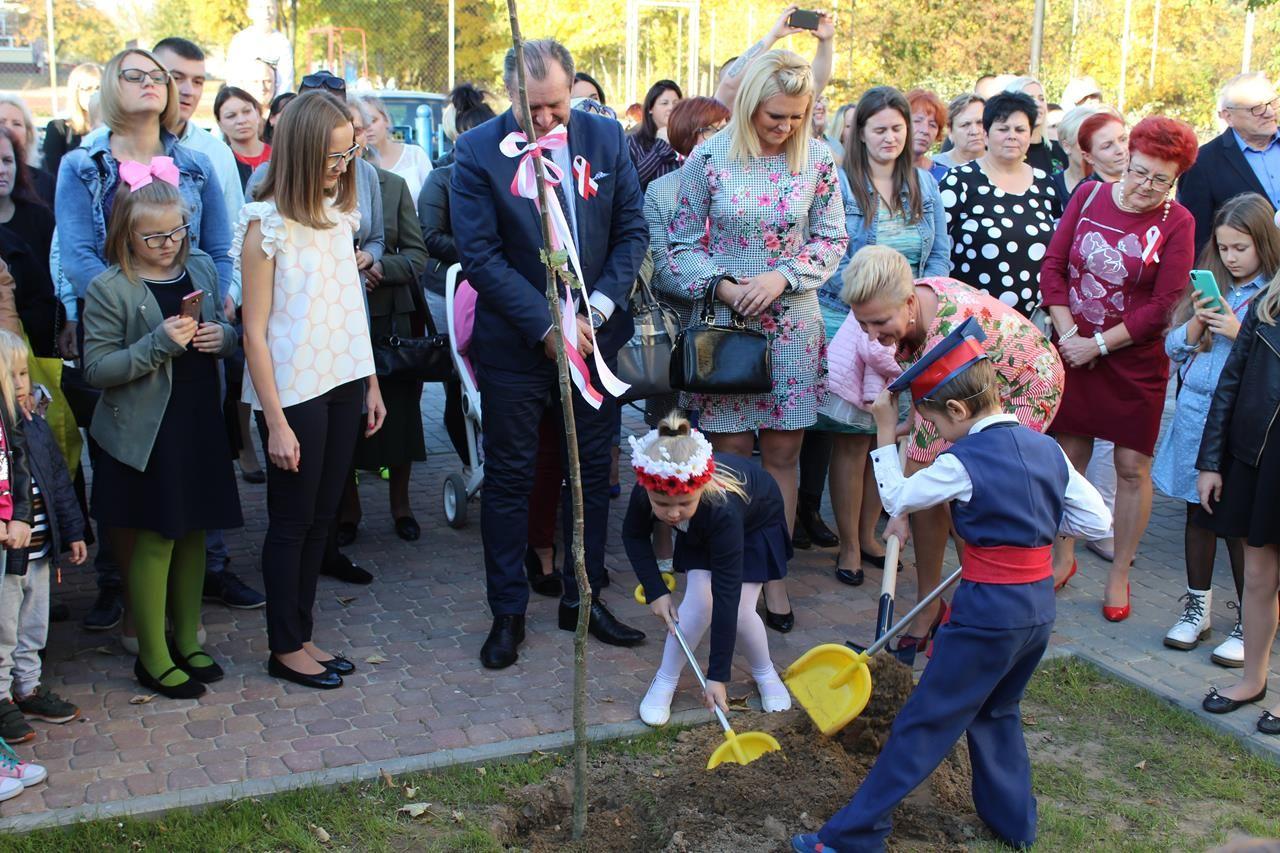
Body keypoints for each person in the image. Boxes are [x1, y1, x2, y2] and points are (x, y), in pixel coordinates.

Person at [792, 320, 1110, 853]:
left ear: (959, 412)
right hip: (1036, 611)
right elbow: (1098, 522)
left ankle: (853, 837)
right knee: (996, 709)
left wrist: (885, 430)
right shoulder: (1048, 450)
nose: (935, 435)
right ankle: (1014, 825)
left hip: (988, 613)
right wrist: (1029, 534)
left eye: (934, 423)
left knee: (924, 723)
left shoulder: (962, 461)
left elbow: (896, 501)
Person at [451, 39, 648, 669]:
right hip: (517, 346)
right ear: (510, 94)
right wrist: (546, 326)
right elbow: (479, 255)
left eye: (556, 106)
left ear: (571, 92)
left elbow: (631, 232)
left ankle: (582, 597)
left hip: (596, 339)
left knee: (591, 477)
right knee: (510, 479)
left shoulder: (606, 139)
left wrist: (598, 310)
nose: (544, 119)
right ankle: (507, 611)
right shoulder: (476, 151)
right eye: (531, 107)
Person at [56, 47, 235, 632]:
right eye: (136, 74)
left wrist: (211, 310)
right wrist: (128, 304)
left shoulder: (198, 162)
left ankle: (183, 614)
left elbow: (215, 246)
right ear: (111, 85)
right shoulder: (81, 164)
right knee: (128, 473)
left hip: (186, 331)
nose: (153, 84)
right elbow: (79, 251)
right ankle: (126, 601)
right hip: (122, 329)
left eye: (158, 78)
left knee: (188, 479)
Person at [668, 49, 847, 631]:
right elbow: (676, 248)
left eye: (797, 116)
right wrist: (721, 285)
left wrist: (783, 276)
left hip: (792, 320)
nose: (786, 127)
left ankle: (773, 577)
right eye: (776, 115)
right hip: (726, 327)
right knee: (730, 455)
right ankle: (725, 569)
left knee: (784, 455)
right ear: (750, 104)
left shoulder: (818, 159)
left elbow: (830, 240)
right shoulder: (710, 158)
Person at [843, 246, 1065, 662]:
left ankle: (976, 616)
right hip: (969, 390)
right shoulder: (912, 306)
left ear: (908, 303)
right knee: (931, 496)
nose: (872, 336)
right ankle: (929, 608)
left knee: (973, 492)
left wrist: (897, 513)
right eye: (862, 324)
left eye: (879, 323)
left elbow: (923, 458)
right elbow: (928, 430)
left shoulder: (942, 333)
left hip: (1025, 385)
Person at [236, 91, 385, 689]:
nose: (341, 166)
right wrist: (274, 421)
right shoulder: (265, 225)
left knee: (322, 518)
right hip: (294, 391)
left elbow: (351, 311)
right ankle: (283, 646)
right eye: (330, 156)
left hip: (346, 381)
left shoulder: (339, 215)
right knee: (292, 521)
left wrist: (372, 382)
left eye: (347, 154)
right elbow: (253, 331)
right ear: (299, 152)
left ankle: (302, 633)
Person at [83, 167, 240, 699]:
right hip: (147, 431)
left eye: (177, 232)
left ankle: (188, 640)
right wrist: (157, 344)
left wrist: (225, 337)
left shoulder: (197, 265)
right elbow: (96, 369)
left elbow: (222, 329)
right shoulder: (110, 288)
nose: (169, 246)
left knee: (195, 529)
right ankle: (151, 654)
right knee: (156, 535)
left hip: (197, 417)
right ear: (126, 234)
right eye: (154, 237)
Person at [1040, 116, 1199, 620]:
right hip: (1073, 347)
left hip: (1131, 360)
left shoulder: (1179, 222)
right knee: (1069, 457)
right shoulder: (1089, 196)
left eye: (1161, 179)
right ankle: (1062, 554)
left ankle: (1120, 572)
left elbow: (1164, 304)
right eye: (1140, 172)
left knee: (1132, 468)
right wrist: (1069, 337)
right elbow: (1054, 267)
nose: (1146, 186)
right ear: (1126, 158)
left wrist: (1098, 346)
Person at [811, 85, 950, 583]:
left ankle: (872, 533)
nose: (891, 137)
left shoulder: (925, 185)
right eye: (880, 129)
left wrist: (914, 303)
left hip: (907, 326)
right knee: (853, 438)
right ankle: (849, 543)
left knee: (888, 438)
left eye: (898, 128)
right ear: (860, 134)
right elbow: (831, 255)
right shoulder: (841, 183)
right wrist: (874, 302)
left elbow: (938, 256)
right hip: (851, 318)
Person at [1154, 194, 1277, 664]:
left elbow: (1266, 361)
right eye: (1224, 248)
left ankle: (1251, 619)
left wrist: (1234, 330)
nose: (1231, 257)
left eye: (1240, 248)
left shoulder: (1271, 293)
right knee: (1195, 514)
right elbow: (1171, 346)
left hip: (1238, 424)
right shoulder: (1214, 286)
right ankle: (1196, 609)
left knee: (1237, 524)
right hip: (1192, 415)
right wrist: (1194, 328)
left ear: (1264, 243)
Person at [625, 414, 792, 725]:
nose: (672, 514)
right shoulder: (648, 488)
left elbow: (726, 594)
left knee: (741, 610)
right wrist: (655, 591)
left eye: (682, 504)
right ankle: (665, 679)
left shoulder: (722, 509)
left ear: (699, 488)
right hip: (701, 526)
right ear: (648, 491)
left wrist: (717, 676)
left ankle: (765, 672)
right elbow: (633, 535)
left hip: (754, 525)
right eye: (661, 505)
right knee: (698, 604)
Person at [1196, 253, 1280, 733]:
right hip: (1260, 455)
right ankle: (1253, 678)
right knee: (1257, 575)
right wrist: (1211, 461)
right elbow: (1231, 383)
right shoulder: (1267, 304)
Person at [0, 330, 85, 743]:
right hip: (8, 555)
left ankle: (28, 687)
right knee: (4, 630)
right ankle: (2, 700)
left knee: (34, 626)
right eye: (9, 376)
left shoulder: (35, 425)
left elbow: (57, 481)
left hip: (40, 550)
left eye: (22, 374)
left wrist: (72, 531)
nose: (20, 384)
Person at [342, 140, 429, 542]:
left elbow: (416, 255)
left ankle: (402, 506)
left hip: (390, 322)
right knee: (344, 418)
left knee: (399, 418)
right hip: (337, 320)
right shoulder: (316, 185)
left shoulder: (392, 185)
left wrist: (380, 264)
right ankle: (348, 511)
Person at [939, 91, 1062, 316]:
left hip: (1034, 321)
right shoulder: (959, 180)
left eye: (1020, 130)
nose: (1012, 136)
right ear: (986, 134)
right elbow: (937, 247)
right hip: (972, 317)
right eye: (1003, 129)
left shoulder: (1046, 183)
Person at [418, 101, 494, 465]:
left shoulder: (502, 174)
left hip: (492, 287)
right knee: (458, 376)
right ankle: (470, 460)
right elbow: (429, 235)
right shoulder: (441, 178)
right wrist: (478, 254)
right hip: (450, 288)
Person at [645, 95, 730, 414]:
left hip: (735, 326)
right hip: (680, 328)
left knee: (727, 430)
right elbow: (661, 267)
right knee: (673, 436)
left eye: (727, 126)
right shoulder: (661, 191)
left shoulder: (744, 184)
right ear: (688, 133)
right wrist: (718, 290)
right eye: (712, 129)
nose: (724, 134)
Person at [1179, 73, 1280, 255]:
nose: (1270, 113)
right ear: (1228, 116)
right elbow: (1198, 240)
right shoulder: (1202, 164)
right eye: (1256, 108)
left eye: (1273, 102)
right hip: (1246, 280)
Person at [715, 6, 835, 112]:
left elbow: (815, 84)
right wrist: (773, 35)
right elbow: (729, 85)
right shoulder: (718, 114)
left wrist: (826, 41)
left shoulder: (776, 109)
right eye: (741, 83)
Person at [353, 94, 433, 204]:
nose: (368, 128)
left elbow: (432, 201)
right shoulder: (355, 164)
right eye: (362, 124)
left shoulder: (416, 155)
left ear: (386, 120)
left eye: (373, 120)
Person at [42, 63, 102, 179]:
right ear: (76, 92)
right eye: (87, 89)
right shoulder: (58, 130)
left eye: (99, 88)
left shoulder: (117, 129)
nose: (94, 94)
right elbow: (54, 174)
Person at [226, 0, 295, 94]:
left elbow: (285, 81)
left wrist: (274, 106)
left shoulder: (283, 43)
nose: (267, 13)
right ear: (250, 12)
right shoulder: (239, 41)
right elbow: (233, 79)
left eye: (271, 7)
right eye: (261, 7)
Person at [1004, 75, 1067, 175]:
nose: (1038, 104)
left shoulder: (1060, 150)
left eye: (1041, 99)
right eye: (1030, 98)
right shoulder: (1008, 150)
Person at [628, 80, 683, 191]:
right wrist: (660, 146)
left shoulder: (689, 139)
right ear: (650, 108)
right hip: (647, 207)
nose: (671, 108)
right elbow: (631, 181)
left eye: (676, 103)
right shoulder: (633, 142)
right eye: (664, 103)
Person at [0, 96, 55, 206]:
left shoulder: (46, 183)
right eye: (1, 122)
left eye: (17, 124)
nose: (9, 129)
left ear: (28, 134)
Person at [214, 86, 270, 190]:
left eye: (247, 111)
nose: (241, 120)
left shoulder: (280, 156)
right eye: (231, 116)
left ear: (257, 114)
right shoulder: (219, 163)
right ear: (220, 124)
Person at [1051, 104, 1104, 207]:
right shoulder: (1051, 186)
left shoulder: (1113, 185)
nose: (1092, 148)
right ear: (1067, 146)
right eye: (1085, 141)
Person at [931, 93, 985, 173]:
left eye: (980, 122)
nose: (975, 131)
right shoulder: (933, 168)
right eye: (965, 125)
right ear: (950, 130)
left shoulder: (1004, 164)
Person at [1077, 110, 1130, 185]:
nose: (1120, 150)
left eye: (1123, 139)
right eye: (1107, 146)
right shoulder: (1088, 194)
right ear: (1088, 157)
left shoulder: (1145, 184)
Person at [905, 88, 948, 181]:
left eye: (932, 125)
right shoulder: (880, 173)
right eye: (917, 121)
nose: (925, 130)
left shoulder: (945, 177)